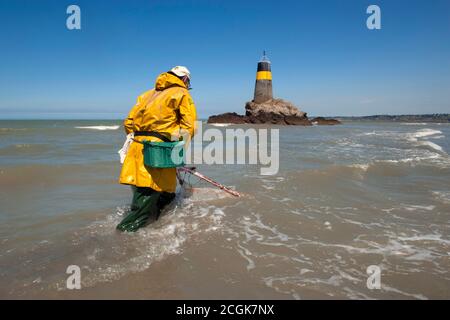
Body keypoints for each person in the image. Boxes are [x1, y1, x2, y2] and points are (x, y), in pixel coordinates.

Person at [117, 66, 197, 232]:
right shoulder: (182, 93)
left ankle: (157, 224)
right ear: (184, 79)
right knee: (146, 198)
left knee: (156, 193)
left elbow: (128, 123)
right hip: (158, 150)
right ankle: (122, 236)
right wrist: (177, 151)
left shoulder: (146, 94)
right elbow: (189, 127)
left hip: (137, 148)